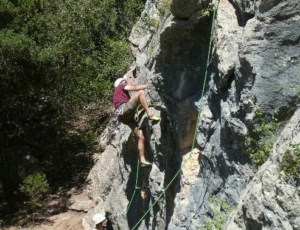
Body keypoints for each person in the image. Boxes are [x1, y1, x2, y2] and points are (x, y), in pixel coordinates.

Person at [113, 70, 160, 167]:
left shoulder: (118, 95)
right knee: (140, 92)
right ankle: (150, 116)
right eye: (125, 81)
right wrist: (148, 85)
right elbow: (135, 88)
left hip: (124, 117)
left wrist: (148, 104)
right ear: (122, 82)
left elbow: (134, 106)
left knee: (140, 136)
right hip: (124, 110)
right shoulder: (121, 86)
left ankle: (142, 160)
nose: (126, 82)